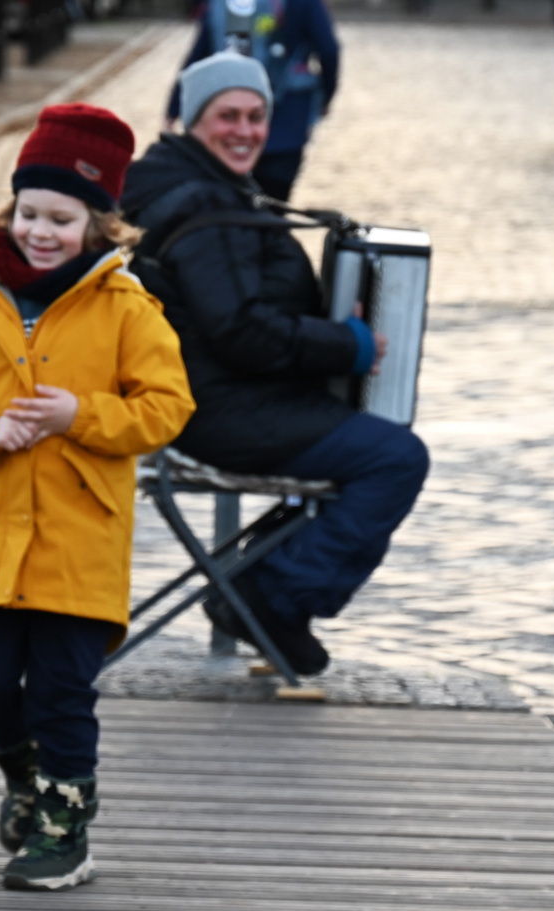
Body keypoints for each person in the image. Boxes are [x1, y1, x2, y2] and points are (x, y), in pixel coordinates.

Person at [0, 106, 194, 893]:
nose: (42, 231)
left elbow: (167, 407)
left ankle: (67, 824)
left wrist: (82, 415)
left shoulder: (126, 308)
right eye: (30, 212)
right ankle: (27, 777)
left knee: (64, 690)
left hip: (80, 542)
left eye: (61, 218)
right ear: (10, 210)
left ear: (100, 224)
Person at [122, 54, 429, 678]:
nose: (245, 130)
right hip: (218, 412)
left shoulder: (198, 188)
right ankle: (270, 597)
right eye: (226, 116)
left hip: (221, 399)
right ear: (190, 120)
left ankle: (257, 592)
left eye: (257, 116)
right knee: (395, 457)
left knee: (369, 448)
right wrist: (349, 345)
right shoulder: (200, 204)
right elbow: (241, 331)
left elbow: (241, 317)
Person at [164, 0, 341, 200]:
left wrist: (174, 107)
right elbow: (329, 50)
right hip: (286, 121)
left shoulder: (220, 4)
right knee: (274, 205)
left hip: (226, 126)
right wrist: (326, 96)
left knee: (224, 202)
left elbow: (200, 55)